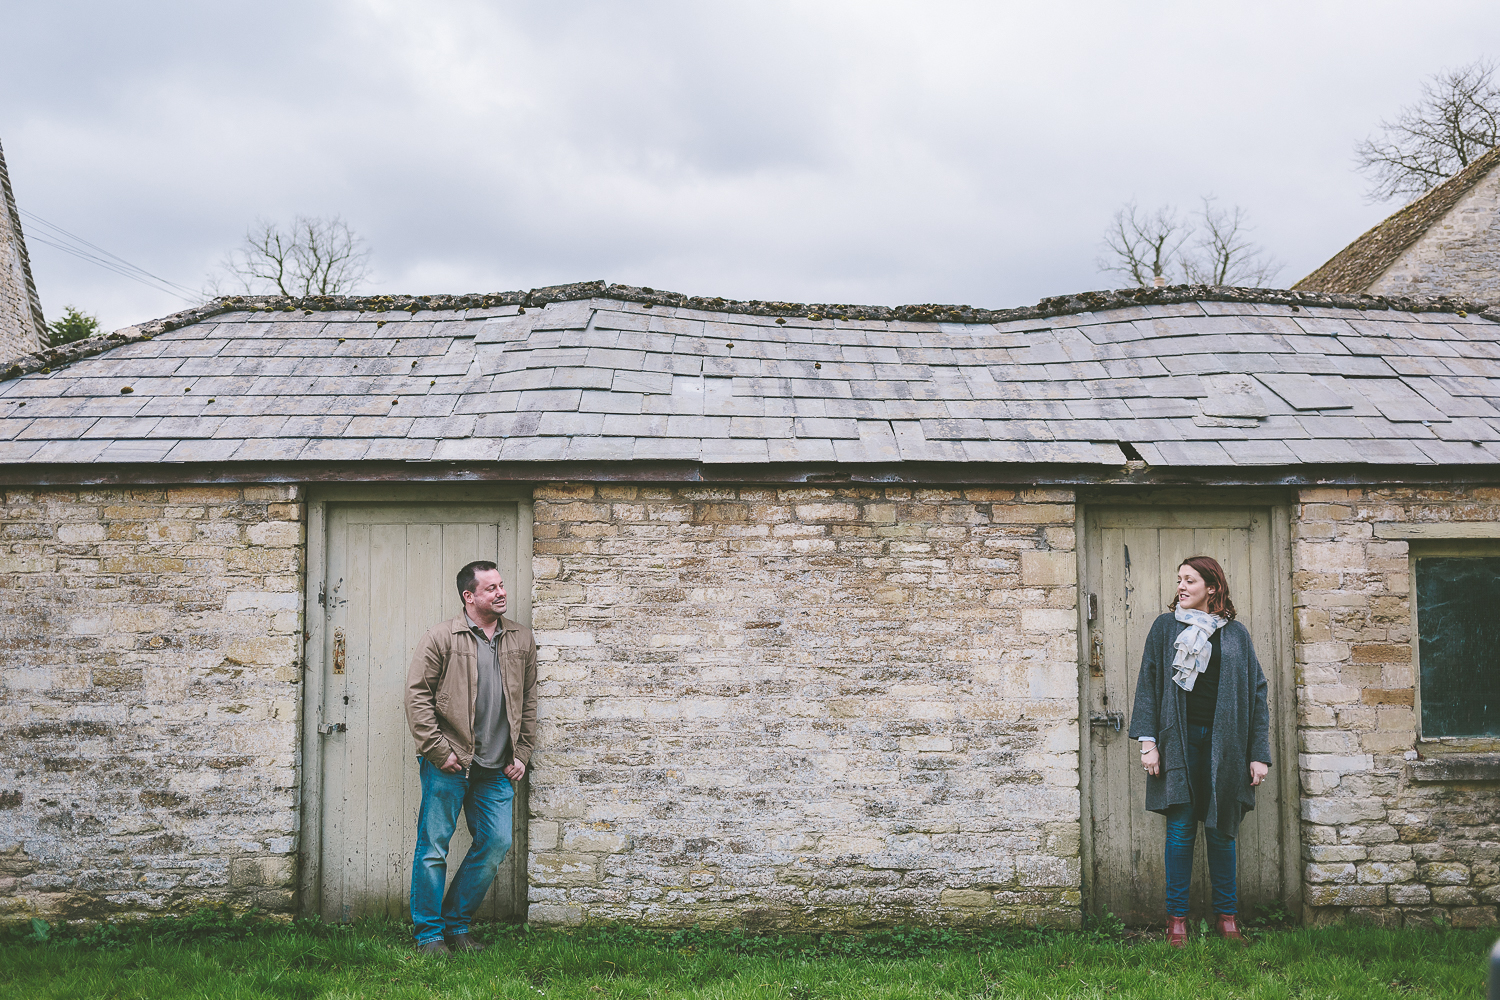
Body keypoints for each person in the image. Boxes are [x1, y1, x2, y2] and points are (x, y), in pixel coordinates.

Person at [1127, 555, 1271, 947]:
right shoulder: (1164, 627)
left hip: (1226, 746)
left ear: (1212, 587)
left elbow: (1258, 694)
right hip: (1179, 742)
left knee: (1222, 829)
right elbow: (1150, 681)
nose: (1181, 586)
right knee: (1180, 830)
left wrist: (1258, 753)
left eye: (1190, 580)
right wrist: (1149, 742)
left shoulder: (1236, 635)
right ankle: (1177, 923)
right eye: (1179, 580)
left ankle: (1227, 919)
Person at [405, 559, 538, 955]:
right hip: (449, 763)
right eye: (491, 588)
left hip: (498, 767)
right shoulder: (441, 638)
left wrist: (523, 752)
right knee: (433, 847)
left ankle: (456, 925)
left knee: (496, 842)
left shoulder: (521, 639)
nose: (501, 593)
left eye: (502, 585)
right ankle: (429, 935)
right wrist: (438, 750)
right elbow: (417, 697)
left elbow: (528, 701)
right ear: (469, 596)